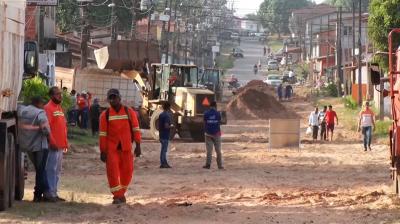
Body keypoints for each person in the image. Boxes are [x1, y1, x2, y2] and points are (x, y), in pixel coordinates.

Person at [99, 89, 142, 204]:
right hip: (111, 149)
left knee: (127, 172)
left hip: (126, 148)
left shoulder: (129, 112)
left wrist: (138, 145)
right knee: (112, 173)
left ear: (119, 98)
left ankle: (121, 193)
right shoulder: (105, 115)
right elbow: (103, 135)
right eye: (110, 98)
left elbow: (136, 129)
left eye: (114, 97)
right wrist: (103, 151)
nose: (113, 100)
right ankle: (117, 196)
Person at [18, 96, 52, 202]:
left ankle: (45, 192)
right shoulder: (40, 113)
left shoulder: (23, 111)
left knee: (39, 170)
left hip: (28, 145)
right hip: (40, 146)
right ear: (39, 103)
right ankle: (37, 195)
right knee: (41, 170)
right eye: (42, 103)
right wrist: (48, 136)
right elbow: (46, 129)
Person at [44, 87, 68, 202]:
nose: (60, 96)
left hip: (60, 145)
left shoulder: (59, 107)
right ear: (51, 96)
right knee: (51, 169)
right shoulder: (48, 108)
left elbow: (63, 126)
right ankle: (49, 193)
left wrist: (65, 143)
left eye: (60, 94)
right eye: (57, 94)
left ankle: (54, 192)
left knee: (57, 170)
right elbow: (47, 128)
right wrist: (52, 142)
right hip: (53, 145)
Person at [203, 101, 223, 169]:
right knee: (218, 151)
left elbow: (205, 121)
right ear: (215, 106)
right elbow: (220, 121)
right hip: (217, 134)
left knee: (209, 151)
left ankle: (208, 165)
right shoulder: (218, 114)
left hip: (208, 134)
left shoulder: (206, 113)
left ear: (210, 106)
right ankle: (220, 166)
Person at [159, 102, 173, 168]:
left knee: (163, 150)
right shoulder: (167, 116)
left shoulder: (161, 114)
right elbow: (166, 126)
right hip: (165, 135)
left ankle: (164, 162)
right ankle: (163, 163)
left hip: (161, 134)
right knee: (164, 150)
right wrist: (171, 126)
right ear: (169, 107)